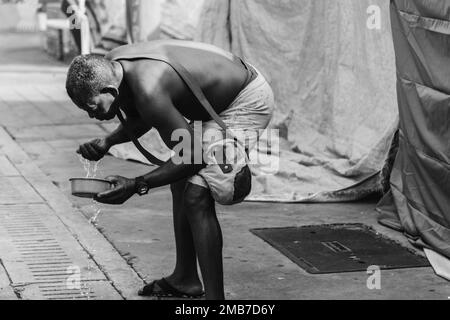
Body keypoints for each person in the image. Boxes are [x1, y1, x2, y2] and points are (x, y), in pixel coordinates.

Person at [65, 40, 274, 300]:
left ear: (110, 90)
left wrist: (136, 184)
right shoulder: (114, 67)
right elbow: (142, 115)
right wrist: (108, 141)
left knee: (196, 193)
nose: (90, 115)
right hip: (214, 103)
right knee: (179, 179)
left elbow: (193, 157)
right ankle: (185, 278)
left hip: (245, 101)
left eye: (92, 106)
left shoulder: (148, 88)